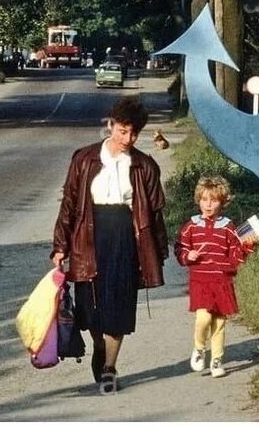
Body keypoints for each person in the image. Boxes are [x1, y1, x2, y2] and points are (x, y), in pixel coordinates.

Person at [52, 95, 168, 394]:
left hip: (126, 239)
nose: (127, 138)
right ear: (110, 125)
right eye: (122, 131)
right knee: (90, 310)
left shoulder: (144, 165)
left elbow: (154, 215)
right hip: (87, 238)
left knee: (119, 308)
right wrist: (60, 245)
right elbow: (69, 205)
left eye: (133, 133)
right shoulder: (84, 159)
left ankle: (109, 367)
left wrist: (159, 252)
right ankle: (99, 347)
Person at [175, 175, 255, 379]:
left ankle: (217, 360)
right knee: (203, 318)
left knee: (219, 323)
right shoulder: (191, 226)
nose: (208, 204)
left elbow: (237, 253)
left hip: (221, 281)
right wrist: (188, 255)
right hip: (200, 280)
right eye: (204, 199)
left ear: (223, 201)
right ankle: (200, 348)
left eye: (213, 200)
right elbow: (181, 248)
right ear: (198, 200)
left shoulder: (229, 228)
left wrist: (250, 244)